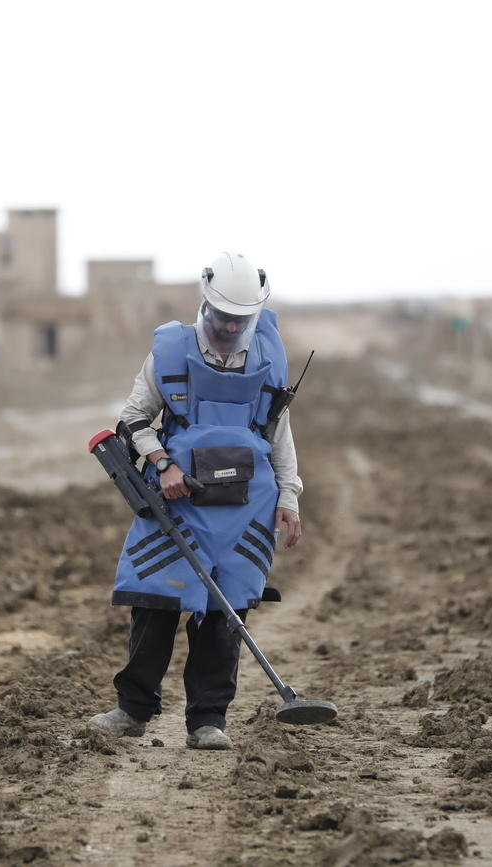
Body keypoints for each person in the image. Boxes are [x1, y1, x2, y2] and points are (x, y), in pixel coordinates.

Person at [88, 252, 304, 750]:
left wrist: (288, 496)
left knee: (226, 613)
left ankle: (209, 719)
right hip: (176, 499)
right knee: (155, 602)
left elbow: (280, 435)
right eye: (223, 314)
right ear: (205, 304)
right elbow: (135, 417)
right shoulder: (168, 352)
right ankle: (133, 709)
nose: (230, 325)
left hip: (246, 507)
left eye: (240, 318)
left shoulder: (269, 358)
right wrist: (164, 465)